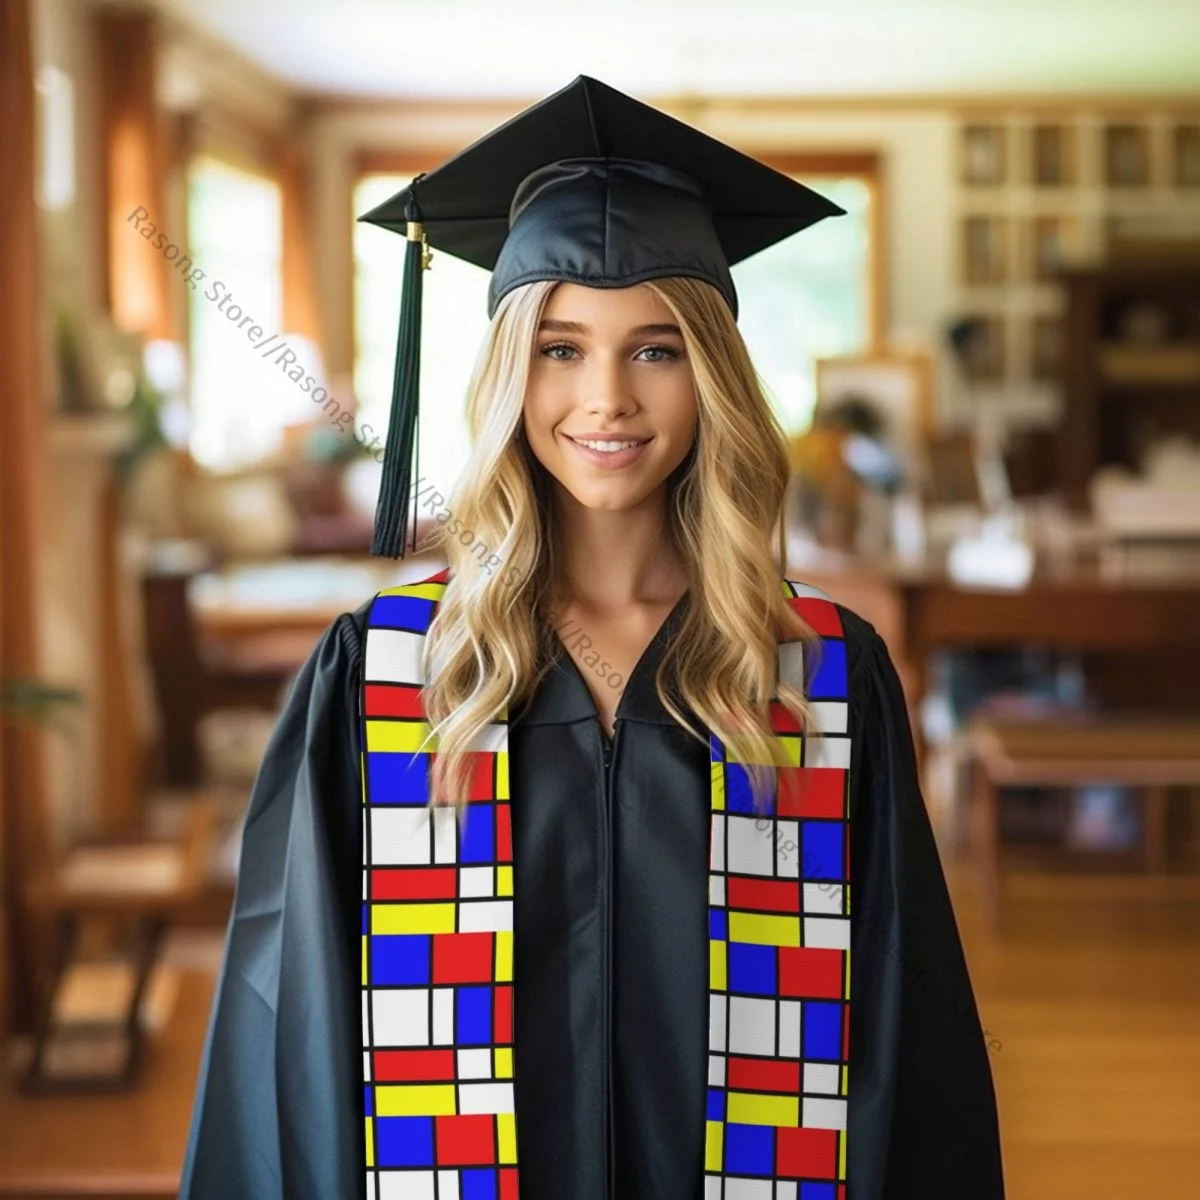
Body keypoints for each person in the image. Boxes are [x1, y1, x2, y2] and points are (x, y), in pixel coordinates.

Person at [179, 76, 1004, 1200]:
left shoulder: (818, 669)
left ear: (711, 375)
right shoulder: (387, 670)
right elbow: (295, 1029)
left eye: (656, 349)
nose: (605, 397)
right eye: (562, 348)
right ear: (511, 372)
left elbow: (906, 1022)